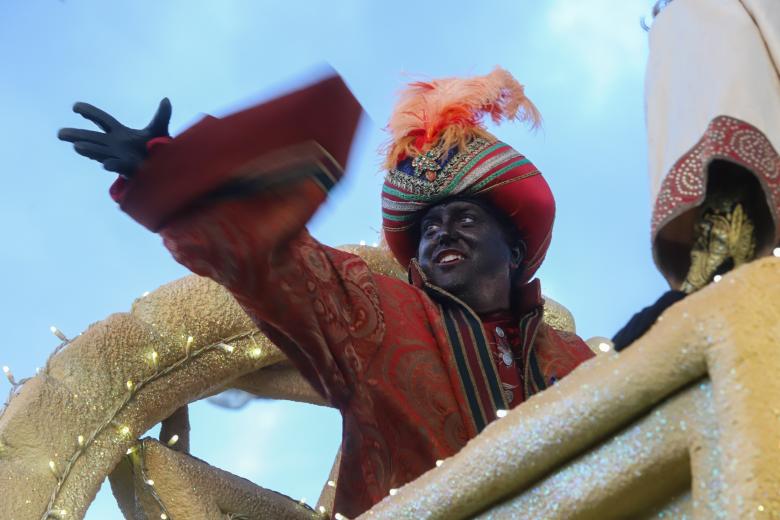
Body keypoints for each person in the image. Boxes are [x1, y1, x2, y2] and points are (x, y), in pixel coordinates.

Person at [59, 68, 594, 518]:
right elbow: (274, 260)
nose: (442, 234)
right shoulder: (378, 314)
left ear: (516, 251)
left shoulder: (576, 359)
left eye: (466, 219)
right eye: (429, 229)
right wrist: (163, 167)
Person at [613, 0, 780, 351]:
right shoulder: (667, 19)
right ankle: (713, 267)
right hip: (696, 160)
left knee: (737, 190)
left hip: (745, 118)